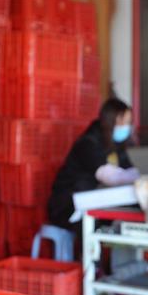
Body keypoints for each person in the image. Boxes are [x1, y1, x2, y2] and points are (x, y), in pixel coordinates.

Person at [47, 98, 139, 230]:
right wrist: (141, 179)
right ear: (110, 120)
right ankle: (89, 250)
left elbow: (128, 168)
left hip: (93, 199)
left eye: (128, 123)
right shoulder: (88, 143)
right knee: (97, 224)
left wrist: (140, 177)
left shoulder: (116, 145)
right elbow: (110, 176)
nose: (126, 127)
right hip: (67, 205)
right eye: (122, 122)